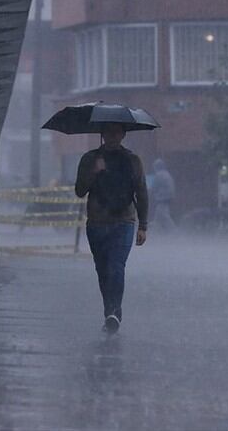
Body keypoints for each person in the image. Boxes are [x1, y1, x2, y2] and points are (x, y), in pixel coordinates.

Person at [75, 122, 148, 334]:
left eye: (117, 132)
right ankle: (109, 309)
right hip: (97, 223)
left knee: (116, 266)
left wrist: (143, 225)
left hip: (123, 222)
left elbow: (141, 193)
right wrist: (94, 172)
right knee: (103, 270)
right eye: (108, 132)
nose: (113, 136)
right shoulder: (90, 159)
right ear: (103, 134)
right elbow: (80, 190)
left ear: (123, 134)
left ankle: (114, 311)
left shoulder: (133, 161)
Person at [150, 158, 177, 232]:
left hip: (163, 198)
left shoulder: (159, 175)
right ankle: (153, 232)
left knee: (164, 216)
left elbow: (154, 187)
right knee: (158, 216)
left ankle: (175, 232)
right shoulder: (166, 174)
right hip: (168, 197)